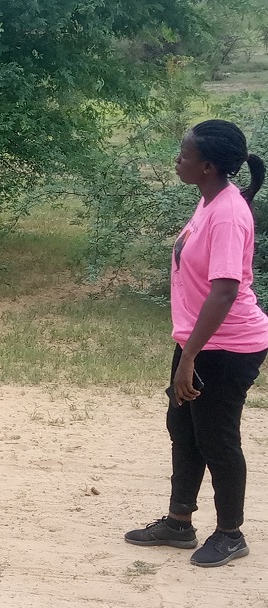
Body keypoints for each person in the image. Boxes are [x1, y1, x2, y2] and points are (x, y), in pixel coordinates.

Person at [125, 119, 267, 567]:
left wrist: (189, 357)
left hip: (227, 346)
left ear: (207, 166)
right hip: (199, 340)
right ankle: (179, 522)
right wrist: (188, 350)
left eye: (184, 155)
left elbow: (224, 291)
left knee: (216, 438)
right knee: (184, 429)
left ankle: (230, 534)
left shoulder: (227, 213)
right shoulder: (211, 201)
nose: (177, 160)